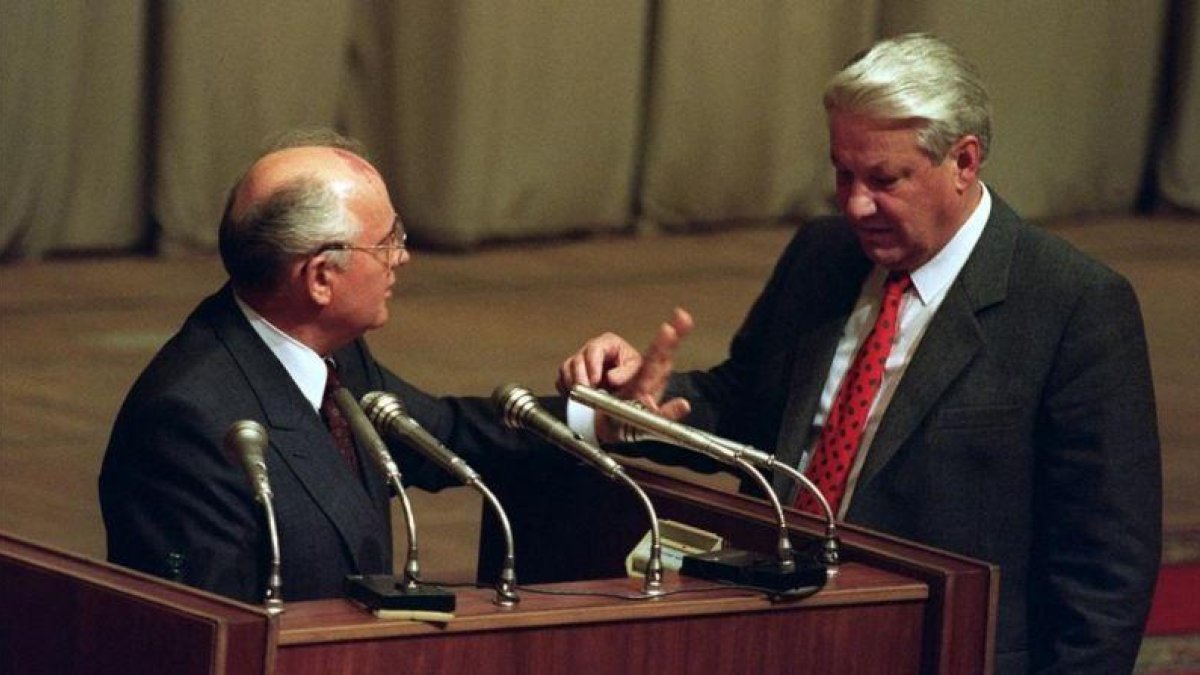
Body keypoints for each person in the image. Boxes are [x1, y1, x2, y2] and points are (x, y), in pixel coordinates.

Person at [557, 34, 1161, 673]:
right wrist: (638, 408)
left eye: (883, 179)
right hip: (766, 616)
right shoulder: (824, 255)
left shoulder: (1074, 305)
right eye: (843, 173)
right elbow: (747, 406)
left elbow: (1106, 565)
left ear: (964, 161)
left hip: (932, 646)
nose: (854, 204)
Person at [100, 130, 543, 602]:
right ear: (320, 278)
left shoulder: (337, 355)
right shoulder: (187, 425)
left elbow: (448, 435)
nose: (402, 257)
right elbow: (213, 632)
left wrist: (603, 415)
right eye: (386, 242)